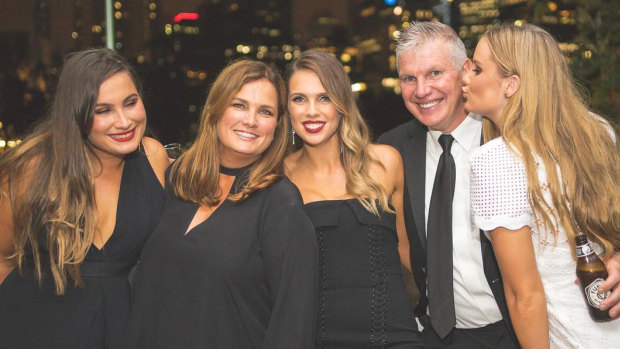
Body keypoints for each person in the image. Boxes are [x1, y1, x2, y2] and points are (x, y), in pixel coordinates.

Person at [379, 20, 620, 348]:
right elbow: (399, 244)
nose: (421, 90)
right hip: (441, 333)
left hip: (527, 331)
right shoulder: (391, 150)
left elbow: (528, 294)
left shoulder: (503, 148)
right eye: (409, 78)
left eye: (435, 73)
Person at [126, 59, 318, 348]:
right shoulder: (179, 179)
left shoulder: (280, 203)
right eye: (239, 105)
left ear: (278, 125)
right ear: (216, 109)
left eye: (265, 111)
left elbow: (294, 324)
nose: (251, 120)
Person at [463, 24, 620, 349]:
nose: (464, 77)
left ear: (511, 85)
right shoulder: (598, 132)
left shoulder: (497, 159)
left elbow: (525, 297)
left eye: (476, 68)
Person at [0, 48, 169, 348]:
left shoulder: (154, 157)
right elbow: (2, 256)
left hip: (125, 328)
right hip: (35, 329)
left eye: (131, 103)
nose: (124, 121)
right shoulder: (32, 168)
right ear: (75, 114)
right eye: (102, 110)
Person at [285, 49, 423, 348]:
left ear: (342, 103)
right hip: (315, 339)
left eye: (324, 97)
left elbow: (407, 253)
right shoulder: (278, 180)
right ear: (287, 109)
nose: (312, 111)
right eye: (299, 99)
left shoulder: (385, 162)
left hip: (396, 337)